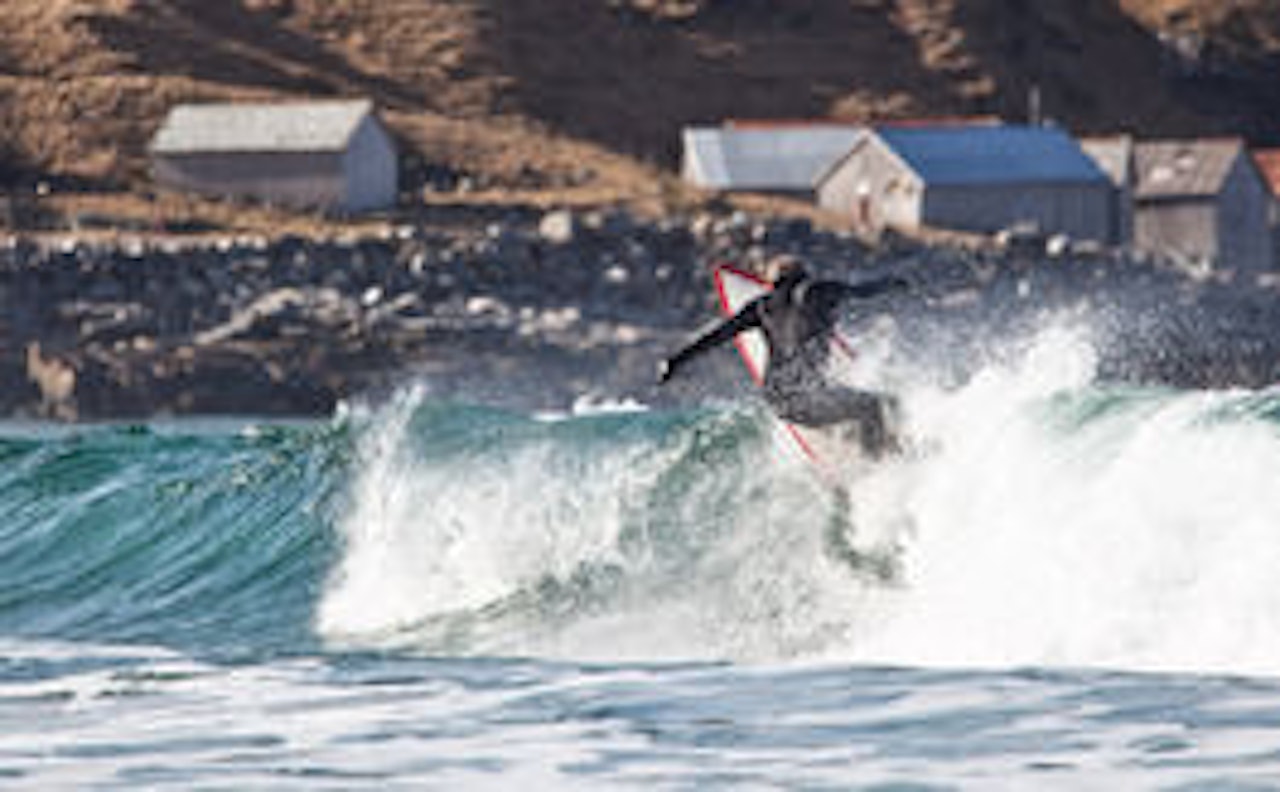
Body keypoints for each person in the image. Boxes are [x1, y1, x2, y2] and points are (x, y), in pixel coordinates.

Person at [658, 255, 908, 454]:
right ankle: (879, 461)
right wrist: (894, 283)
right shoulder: (820, 290)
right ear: (804, 274)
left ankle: (852, 443)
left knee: (842, 402)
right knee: (877, 405)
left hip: (779, 401)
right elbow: (863, 290)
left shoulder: (761, 306)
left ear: (772, 281)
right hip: (810, 396)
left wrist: (675, 362)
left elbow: (714, 337)